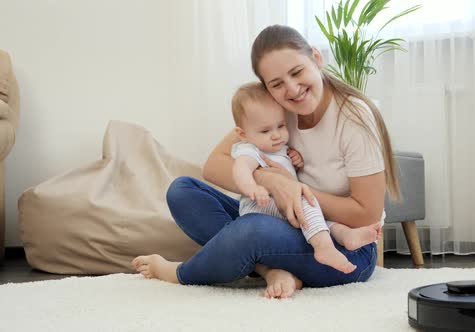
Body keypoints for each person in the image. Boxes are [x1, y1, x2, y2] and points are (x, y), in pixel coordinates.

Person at [132, 24, 401, 299]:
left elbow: (367, 213)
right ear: (267, 88)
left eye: (297, 72)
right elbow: (214, 164)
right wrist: (269, 180)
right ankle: (269, 269)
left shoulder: (354, 116)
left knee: (252, 230)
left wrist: (296, 193)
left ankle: (179, 273)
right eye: (277, 84)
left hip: (343, 246)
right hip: (285, 223)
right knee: (183, 191)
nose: (293, 89)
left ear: (316, 59)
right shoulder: (278, 110)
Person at [229, 82, 382, 274]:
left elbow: (286, 167)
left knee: (319, 217)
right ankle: (323, 248)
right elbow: (240, 169)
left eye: (281, 126)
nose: (276, 135)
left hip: (283, 209)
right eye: (266, 131)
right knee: (303, 196)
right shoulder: (249, 149)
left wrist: (295, 159)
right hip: (262, 206)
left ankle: (346, 236)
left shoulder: (277, 147)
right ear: (242, 134)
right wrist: (253, 187)